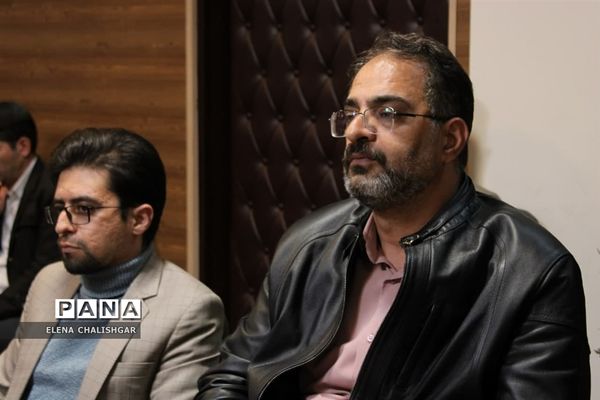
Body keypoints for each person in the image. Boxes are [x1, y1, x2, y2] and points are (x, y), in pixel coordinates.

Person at [196, 32, 590, 399]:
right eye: (352, 112)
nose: (356, 131)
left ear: (450, 140)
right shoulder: (308, 244)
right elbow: (230, 376)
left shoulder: (531, 271)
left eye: (388, 113)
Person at [0, 127, 226, 399]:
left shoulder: (188, 311)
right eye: (60, 209)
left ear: (139, 220)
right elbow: (6, 383)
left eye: (84, 209)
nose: (61, 226)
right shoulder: (49, 280)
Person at [0, 102, 60, 351]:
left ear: (22, 146)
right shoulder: (7, 186)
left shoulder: (50, 192)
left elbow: (45, 266)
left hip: (24, 302)